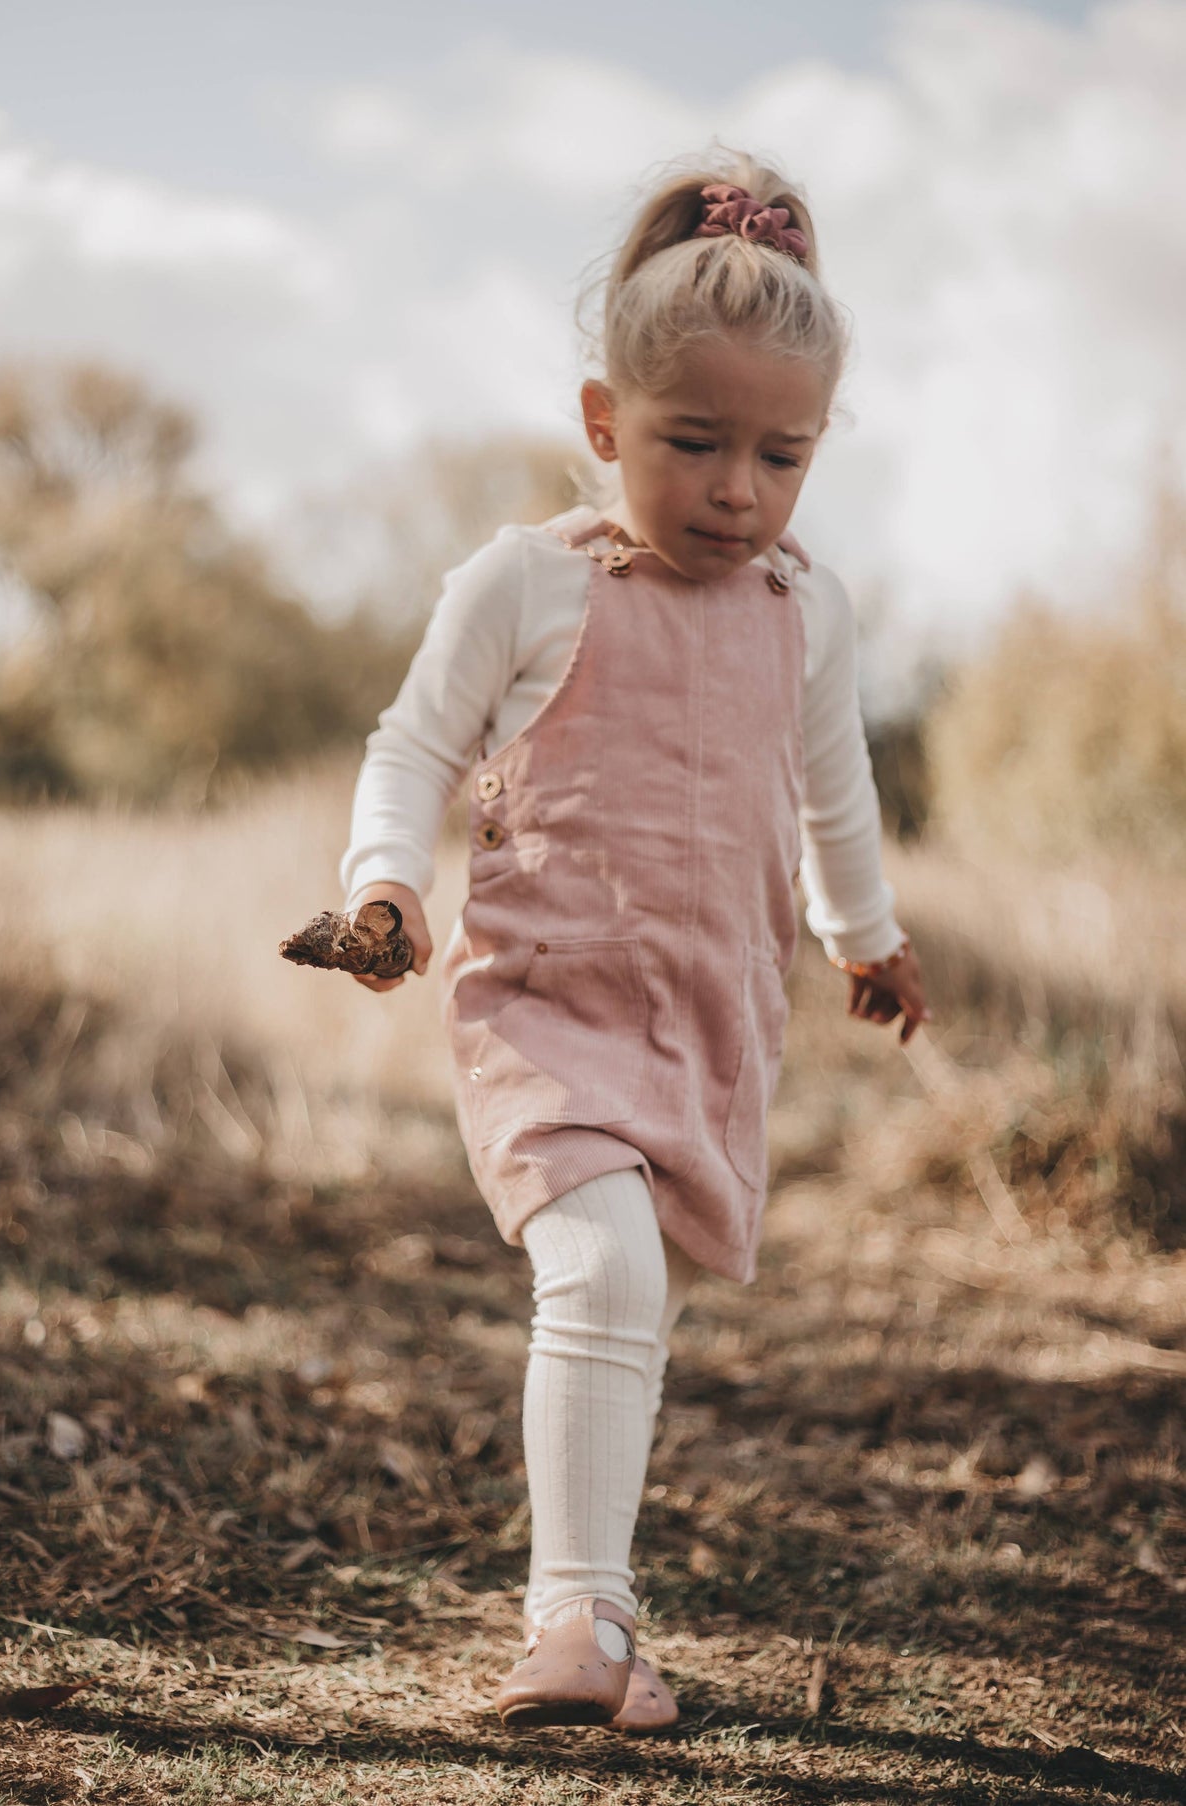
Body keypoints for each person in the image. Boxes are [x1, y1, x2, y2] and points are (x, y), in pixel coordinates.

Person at [338, 151, 931, 1734]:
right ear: (603, 423)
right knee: (596, 1276)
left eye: (780, 456)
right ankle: (577, 1627)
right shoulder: (523, 584)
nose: (737, 489)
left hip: (711, 1020)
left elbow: (831, 796)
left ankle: (596, 1616)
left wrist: (864, 935)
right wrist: (385, 886)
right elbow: (409, 747)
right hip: (543, 1009)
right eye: (691, 443)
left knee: (630, 1314)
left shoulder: (804, 608)